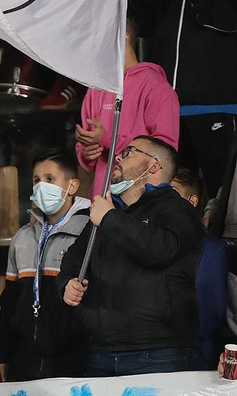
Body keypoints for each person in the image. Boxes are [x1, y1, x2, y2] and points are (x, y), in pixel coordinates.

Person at [129, 0, 237, 219]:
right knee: (168, 211)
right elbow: (145, 25)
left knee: (228, 210)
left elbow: (231, 20)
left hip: (216, 107)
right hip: (168, 115)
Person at [60, 137, 203, 375]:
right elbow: (74, 258)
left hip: (158, 352)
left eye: (129, 152)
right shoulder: (107, 212)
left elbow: (161, 249)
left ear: (154, 166)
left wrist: (110, 219)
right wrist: (67, 283)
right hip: (100, 351)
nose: (118, 157)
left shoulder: (177, 209)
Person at [0, 153, 90, 382]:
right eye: (37, 180)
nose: (42, 186)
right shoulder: (23, 238)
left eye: (50, 179)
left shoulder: (89, 233)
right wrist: (2, 355)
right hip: (25, 358)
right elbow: (9, 302)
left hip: (74, 358)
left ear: (72, 185)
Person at [74, 20, 179, 194]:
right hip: (102, 202)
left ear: (124, 39)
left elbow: (166, 154)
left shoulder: (156, 86)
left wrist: (108, 139)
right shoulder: (95, 88)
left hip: (141, 203)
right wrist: (87, 152)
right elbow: (86, 156)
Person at [167, 167, 229, 369]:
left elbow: (209, 320)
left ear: (192, 201)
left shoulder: (209, 249)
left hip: (193, 360)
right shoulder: (150, 240)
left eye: (171, 194)